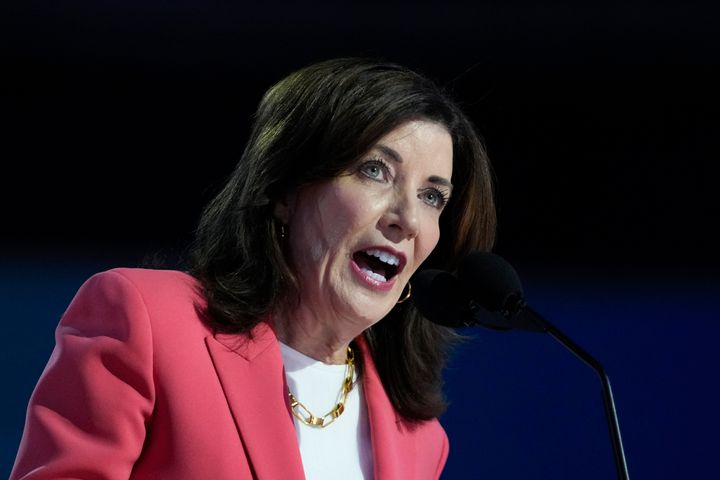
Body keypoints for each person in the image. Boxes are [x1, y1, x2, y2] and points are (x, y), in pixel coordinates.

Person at [10, 57, 496, 479]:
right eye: (374, 170)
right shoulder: (147, 321)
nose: (408, 219)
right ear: (286, 190)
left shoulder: (419, 438)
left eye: (432, 197)